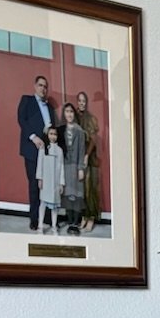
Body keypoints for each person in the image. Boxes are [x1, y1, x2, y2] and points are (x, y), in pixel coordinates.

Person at [17, 75, 54, 230]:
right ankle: (33, 219)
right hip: (32, 150)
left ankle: (45, 217)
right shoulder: (27, 100)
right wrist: (34, 137)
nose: (43, 89)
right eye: (40, 85)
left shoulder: (50, 107)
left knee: (46, 185)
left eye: (45, 86)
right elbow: (21, 120)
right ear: (35, 86)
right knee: (34, 184)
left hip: (46, 151)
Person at [74, 88, 102, 232]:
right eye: (79, 101)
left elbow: (93, 139)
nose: (82, 103)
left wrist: (86, 155)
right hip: (76, 158)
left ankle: (90, 218)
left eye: (84, 101)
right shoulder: (74, 117)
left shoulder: (91, 119)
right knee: (81, 190)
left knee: (89, 189)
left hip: (89, 158)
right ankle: (83, 217)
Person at [59, 101, 87, 236]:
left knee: (77, 195)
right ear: (63, 114)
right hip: (65, 166)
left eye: (71, 112)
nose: (69, 114)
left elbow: (82, 151)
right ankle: (70, 222)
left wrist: (81, 168)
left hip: (75, 166)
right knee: (68, 195)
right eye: (66, 112)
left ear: (74, 114)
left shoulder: (79, 131)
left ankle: (75, 223)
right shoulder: (61, 130)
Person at [34, 124, 64, 234]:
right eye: (51, 134)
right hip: (46, 181)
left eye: (55, 134)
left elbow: (61, 167)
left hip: (55, 182)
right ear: (47, 135)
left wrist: (61, 183)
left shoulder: (59, 150)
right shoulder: (43, 148)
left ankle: (54, 226)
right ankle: (40, 225)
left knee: (54, 206)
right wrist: (40, 179)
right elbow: (39, 164)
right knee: (43, 203)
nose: (53, 137)